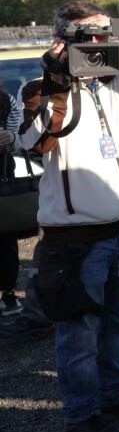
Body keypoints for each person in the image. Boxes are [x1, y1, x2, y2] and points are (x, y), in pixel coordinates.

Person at [19, 0, 119, 432]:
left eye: (99, 35)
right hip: (74, 239)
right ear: (61, 39)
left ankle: (117, 394)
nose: (93, 45)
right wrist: (57, 81)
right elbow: (39, 141)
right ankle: (82, 417)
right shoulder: (39, 89)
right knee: (78, 334)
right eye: (82, 36)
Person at [0, 83, 22, 317]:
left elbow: (19, 141)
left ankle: (8, 294)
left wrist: (11, 136)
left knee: (6, 236)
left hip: (3, 171)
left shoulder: (6, 100)